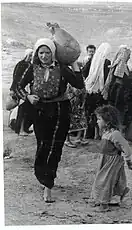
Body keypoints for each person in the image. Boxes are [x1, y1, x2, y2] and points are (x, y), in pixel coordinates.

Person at [15, 38, 84, 202]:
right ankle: (43, 175)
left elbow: (79, 84)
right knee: (43, 144)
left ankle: (48, 185)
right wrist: (27, 96)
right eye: (41, 52)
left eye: (47, 52)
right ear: (37, 54)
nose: (44, 56)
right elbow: (17, 87)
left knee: (55, 147)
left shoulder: (62, 69)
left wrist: (75, 65)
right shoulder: (32, 68)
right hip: (39, 111)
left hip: (60, 110)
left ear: (53, 53)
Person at [89, 105, 132, 212]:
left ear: (108, 121)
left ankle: (103, 203)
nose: (97, 122)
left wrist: (128, 159)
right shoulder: (106, 133)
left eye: (99, 119)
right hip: (105, 160)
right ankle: (119, 192)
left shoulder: (115, 134)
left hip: (112, 161)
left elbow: (125, 147)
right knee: (112, 180)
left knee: (104, 181)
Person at [102, 45, 132, 131]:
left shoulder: (118, 65)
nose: (129, 57)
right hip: (119, 94)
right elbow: (123, 80)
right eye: (128, 55)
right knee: (117, 113)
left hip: (116, 92)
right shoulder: (121, 67)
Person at [84, 42, 111, 139]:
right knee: (100, 113)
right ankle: (98, 134)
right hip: (101, 92)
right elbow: (108, 77)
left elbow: (84, 73)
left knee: (90, 113)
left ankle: (89, 134)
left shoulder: (91, 61)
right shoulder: (107, 62)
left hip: (91, 91)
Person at [9, 48, 33, 135]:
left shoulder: (30, 65)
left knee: (25, 109)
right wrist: (12, 89)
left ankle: (23, 128)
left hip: (26, 89)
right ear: (26, 55)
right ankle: (21, 129)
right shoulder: (21, 64)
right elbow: (15, 77)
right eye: (29, 55)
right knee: (22, 108)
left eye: (32, 55)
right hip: (19, 89)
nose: (31, 57)